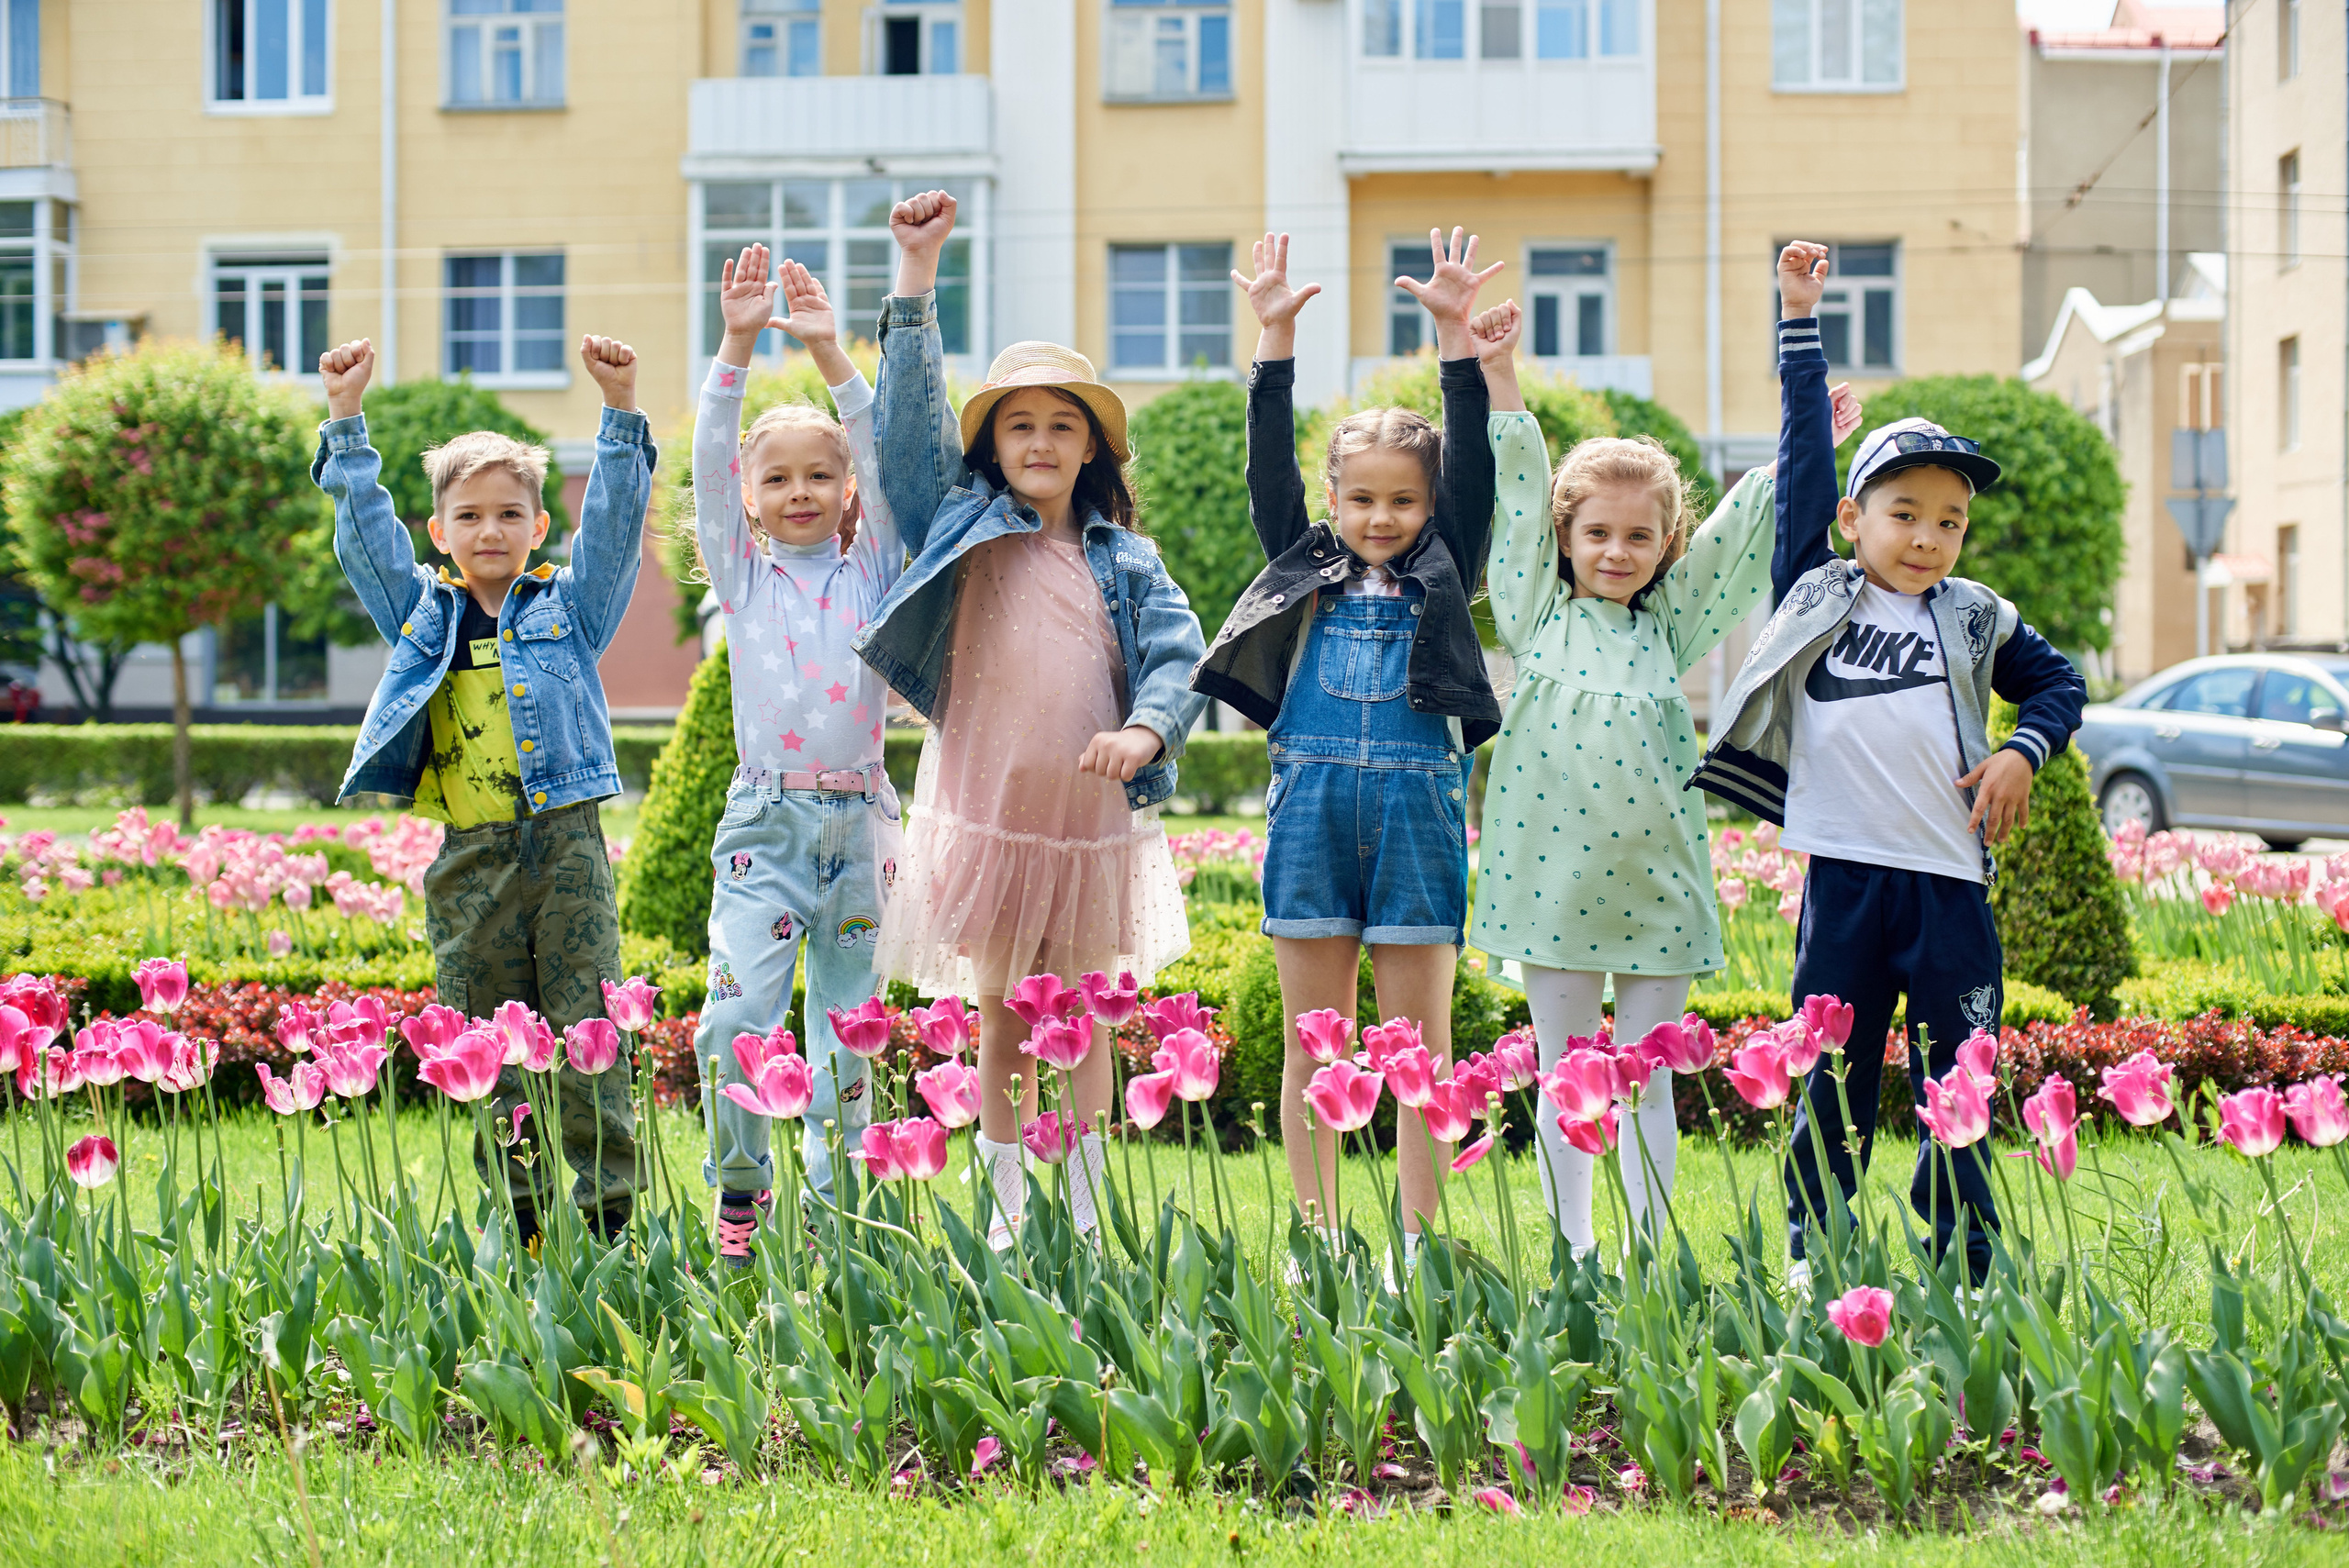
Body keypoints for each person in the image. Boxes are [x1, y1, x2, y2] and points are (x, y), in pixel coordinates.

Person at [1688, 265, 2087, 1288]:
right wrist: (1797, 320)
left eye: (1947, 520)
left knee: (1959, 1080)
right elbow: (1799, 451)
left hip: (1949, 885)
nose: (1925, 537)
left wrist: (2019, 749)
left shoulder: (1971, 613)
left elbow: (2058, 684)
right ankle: (1812, 1248)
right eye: (1903, 511)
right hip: (1847, 878)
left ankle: (1966, 1258)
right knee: (1833, 1079)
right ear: (1852, 518)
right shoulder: (1815, 588)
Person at [1471, 245, 1859, 1260]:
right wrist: (1498, 375)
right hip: (1551, 887)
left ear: (1661, 547)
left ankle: (1648, 1254)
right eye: (1595, 531)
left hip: (1655, 888)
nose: (1615, 550)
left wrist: (1804, 443)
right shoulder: (1531, 613)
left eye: (1639, 537)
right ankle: (1572, 1248)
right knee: (1566, 1076)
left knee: (1645, 1078)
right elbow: (1514, 492)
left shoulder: (1669, 628)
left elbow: (1743, 527)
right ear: (1564, 536)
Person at [859, 190, 1207, 1245]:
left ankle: (1092, 1205)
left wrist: (1147, 732)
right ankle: (1008, 1202)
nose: (1042, 440)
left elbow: (1179, 657)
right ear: (995, 447)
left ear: (1092, 451)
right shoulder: (960, 527)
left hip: (1089, 823)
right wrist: (915, 278)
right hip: (988, 812)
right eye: (1021, 424)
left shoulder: (1126, 560)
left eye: (1063, 426)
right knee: (1006, 1013)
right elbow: (909, 432)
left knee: (1088, 1015)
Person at [1194, 229, 1499, 1265]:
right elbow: (1265, 464)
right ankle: (1316, 1234)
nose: (1382, 516)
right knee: (1311, 1044)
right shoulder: (1299, 565)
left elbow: (1474, 469)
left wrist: (1456, 342)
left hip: (1415, 818)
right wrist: (1273, 344)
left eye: (1403, 500)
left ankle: (1420, 1235)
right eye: (1360, 498)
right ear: (1330, 503)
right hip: (1313, 816)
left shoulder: (1449, 564)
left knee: (1421, 1050)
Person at [314, 331, 655, 1243]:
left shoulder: (570, 612)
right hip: (471, 862)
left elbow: (617, 528)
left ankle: (611, 1220)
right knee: (486, 1046)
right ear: (441, 533)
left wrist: (619, 409)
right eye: (468, 516)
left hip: (568, 849)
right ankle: (525, 1219)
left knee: (590, 1036)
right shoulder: (424, 616)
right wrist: (346, 421)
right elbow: (366, 543)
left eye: (510, 513)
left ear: (540, 526)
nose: (490, 530)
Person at [687, 245, 907, 1265]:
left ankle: (843, 1207)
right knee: (731, 1014)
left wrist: (828, 351)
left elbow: (887, 452)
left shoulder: (875, 573)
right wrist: (735, 345)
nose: (801, 490)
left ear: (848, 488)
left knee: (849, 1032)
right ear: (750, 495)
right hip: (765, 828)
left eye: (821, 474)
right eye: (777, 478)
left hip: (861, 825)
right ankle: (743, 1188)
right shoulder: (743, 579)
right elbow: (705, 457)